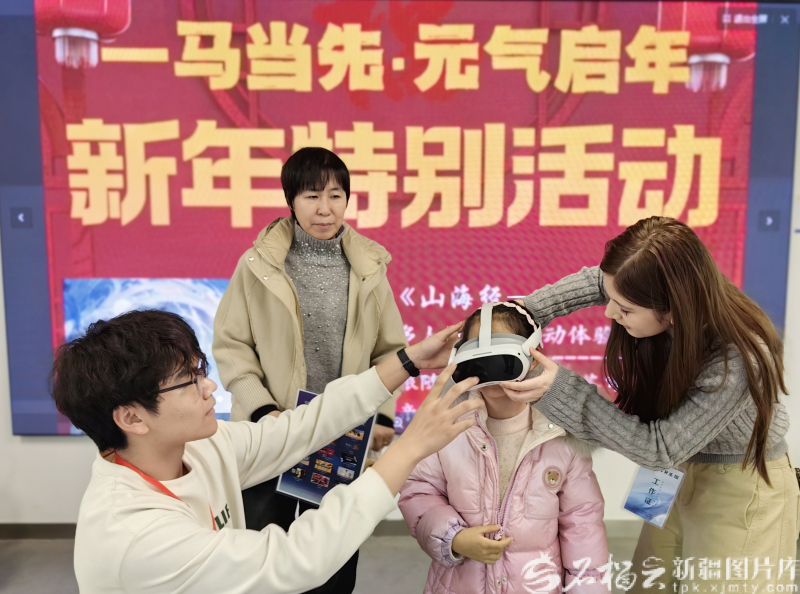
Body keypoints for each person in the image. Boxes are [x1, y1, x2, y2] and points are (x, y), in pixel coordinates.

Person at [53, 309, 482, 594]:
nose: (209, 386)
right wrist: (411, 447)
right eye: (188, 380)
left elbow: (298, 430)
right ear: (131, 418)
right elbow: (297, 559)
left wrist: (407, 361)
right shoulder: (135, 536)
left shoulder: (198, 447)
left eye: (201, 370)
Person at [499, 217, 799, 592]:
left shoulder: (739, 360)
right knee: (647, 583)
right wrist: (524, 312)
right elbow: (601, 280)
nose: (610, 313)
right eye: (612, 300)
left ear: (672, 310)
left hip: (740, 482)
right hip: (671, 474)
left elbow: (659, 449)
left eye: (624, 310)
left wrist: (561, 390)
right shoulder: (673, 295)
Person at [213, 147, 406, 590]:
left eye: (335, 195)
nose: (325, 209)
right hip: (271, 432)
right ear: (291, 200)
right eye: (312, 196)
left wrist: (383, 415)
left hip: (341, 435)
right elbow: (232, 347)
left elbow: (389, 351)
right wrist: (263, 411)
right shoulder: (258, 265)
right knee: (260, 558)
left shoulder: (369, 268)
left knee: (333, 563)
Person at [398, 302, 609, 594]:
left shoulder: (562, 435)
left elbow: (582, 526)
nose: (491, 371)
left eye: (503, 359)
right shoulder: (446, 427)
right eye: (479, 360)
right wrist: (453, 537)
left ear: (533, 357)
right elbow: (419, 491)